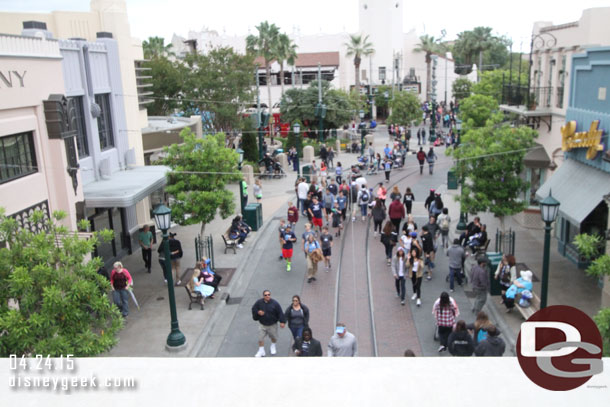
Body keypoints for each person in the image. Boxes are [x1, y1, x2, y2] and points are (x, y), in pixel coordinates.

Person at [251, 290, 286, 357]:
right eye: (265, 295)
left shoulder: (275, 303)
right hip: (262, 325)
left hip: (272, 325)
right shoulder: (259, 302)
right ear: (263, 296)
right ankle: (261, 351)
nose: (267, 296)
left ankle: (273, 346)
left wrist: (282, 321)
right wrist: (258, 312)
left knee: (274, 337)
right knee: (260, 338)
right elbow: (254, 308)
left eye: (268, 294)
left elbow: (280, 312)